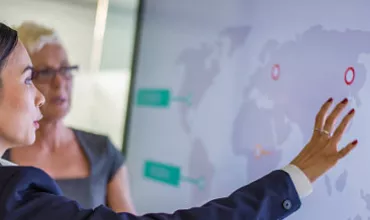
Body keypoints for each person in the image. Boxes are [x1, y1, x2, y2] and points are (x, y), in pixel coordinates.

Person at [0, 22, 358, 220]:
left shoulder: (100, 150)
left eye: (67, 71)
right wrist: (294, 180)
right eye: (31, 77)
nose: (45, 94)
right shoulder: (13, 192)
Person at [0, 21, 136, 213]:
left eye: (65, 69)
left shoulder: (102, 150)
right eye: (45, 72)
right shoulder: (5, 147)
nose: (59, 82)